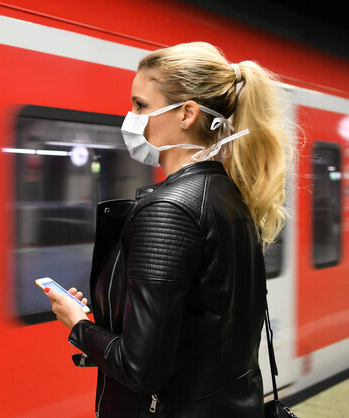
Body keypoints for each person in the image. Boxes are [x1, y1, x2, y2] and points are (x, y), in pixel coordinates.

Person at [46, 42, 291, 417]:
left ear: (187, 114)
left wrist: (78, 324)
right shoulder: (231, 195)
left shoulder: (168, 209)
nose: (131, 117)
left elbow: (140, 370)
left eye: (141, 105)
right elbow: (200, 320)